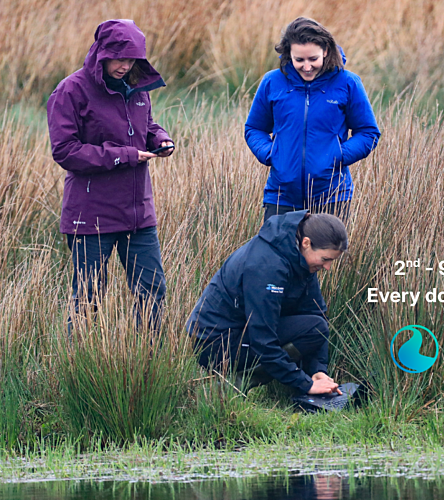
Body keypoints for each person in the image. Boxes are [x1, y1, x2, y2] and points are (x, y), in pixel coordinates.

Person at [47, 19, 174, 333]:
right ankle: (80, 371)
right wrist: (125, 155)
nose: (125, 65)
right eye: (120, 58)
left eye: (132, 59)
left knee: (153, 291)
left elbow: (145, 127)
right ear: (102, 53)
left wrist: (159, 139)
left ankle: (147, 366)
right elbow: (65, 151)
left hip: (138, 215)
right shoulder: (71, 91)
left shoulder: (137, 89)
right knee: (88, 299)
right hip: (91, 216)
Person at [186, 211, 346, 395]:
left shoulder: (301, 260)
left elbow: (317, 316)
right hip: (215, 344)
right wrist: (304, 384)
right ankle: (233, 384)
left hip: (243, 333)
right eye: (325, 259)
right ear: (306, 243)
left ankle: (287, 379)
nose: (327, 267)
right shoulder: (267, 267)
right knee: (304, 331)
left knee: (316, 326)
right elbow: (262, 339)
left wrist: (318, 370)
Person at [245, 17, 381, 223]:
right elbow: (254, 128)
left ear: (326, 50)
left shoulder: (348, 82)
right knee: (279, 256)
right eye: (299, 60)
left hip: (332, 197)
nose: (307, 67)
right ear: (288, 54)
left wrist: (338, 155)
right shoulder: (272, 82)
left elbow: (368, 133)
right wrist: (271, 154)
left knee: (326, 256)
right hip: (281, 196)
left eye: (313, 59)